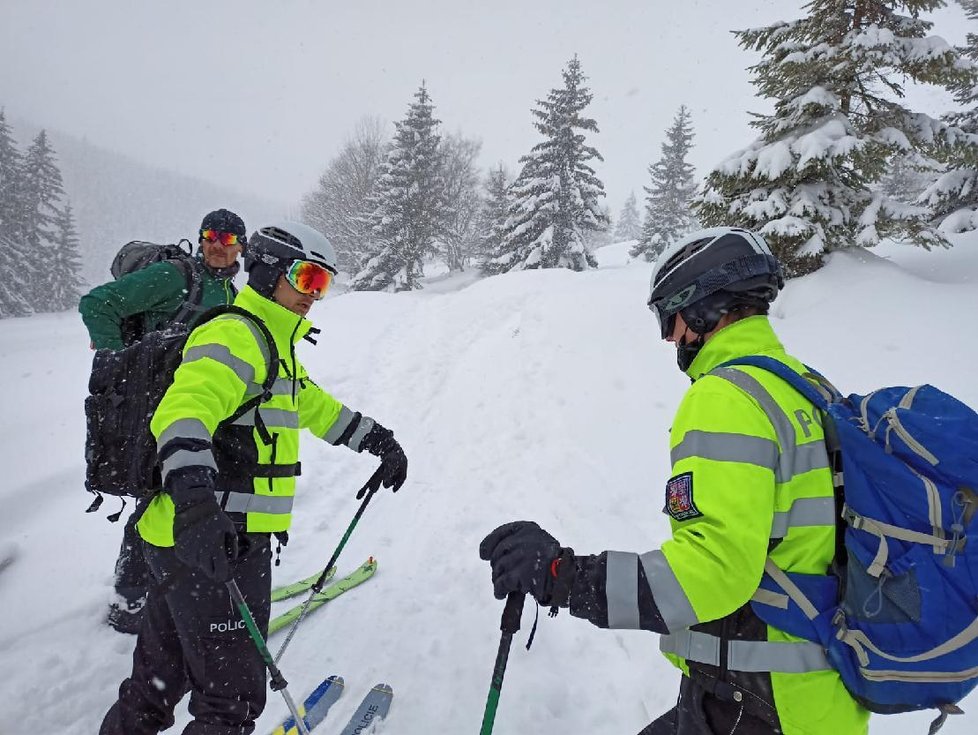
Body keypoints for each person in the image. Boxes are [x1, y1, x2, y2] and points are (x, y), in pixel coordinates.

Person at [479, 227, 869, 735]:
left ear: (706, 307)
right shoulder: (808, 389)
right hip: (814, 698)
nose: (669, 337)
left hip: (761, 704)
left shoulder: (728, 397)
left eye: (670, 317)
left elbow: (715, 570)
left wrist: (562, 576)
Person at [99, 221, 408, 735]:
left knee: (155, 685)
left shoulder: (272, 342)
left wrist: (377, 440)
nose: (315, 295)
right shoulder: (236, 334)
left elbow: (313, 406)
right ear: (268, 273)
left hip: (189, 547)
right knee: (230, 703)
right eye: (307, 278)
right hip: (214, 543)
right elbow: (182, 414)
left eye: (323, 284)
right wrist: (197, 504)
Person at [79, 208, 247, 634]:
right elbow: (98, 303)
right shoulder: (176, 276)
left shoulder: (229, 294)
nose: (217, 245)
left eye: (227, 240)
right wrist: (119, 361)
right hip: (151, 405)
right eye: (210, 235)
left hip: (192, 404)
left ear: (240, 249)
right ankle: (130, 600)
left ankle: (166, 583)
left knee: (186, 490)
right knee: (155, 494)